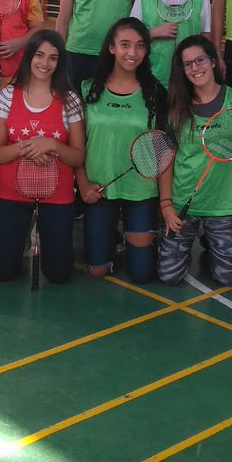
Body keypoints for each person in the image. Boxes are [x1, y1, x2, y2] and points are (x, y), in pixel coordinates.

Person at [0, 29, 86, 284]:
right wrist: (30, 147)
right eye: (39, 55)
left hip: (57, 196)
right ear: (29, 56)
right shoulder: (8, 96)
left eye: (53, 58)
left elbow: (77, 156)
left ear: (60, 62)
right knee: (2, 272)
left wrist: (51, 144)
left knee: (58, 275)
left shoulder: (71, 100)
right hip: (11, 194)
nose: (45, 63)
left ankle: (58, 245)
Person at [157, 35, 232, 287]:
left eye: (200, 60)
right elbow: (167, 158)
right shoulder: (176, 106)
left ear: (212, 62)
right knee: (169, 277)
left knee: (227, 278)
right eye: (187, 64)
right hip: (182, 204)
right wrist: (166, 205)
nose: (195, 68)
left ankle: (210, 241)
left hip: (222, 205)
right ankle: (196, 238)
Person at [76, 18, 166, 282]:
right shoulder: (87, 89)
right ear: (112, 48)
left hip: (141, 192)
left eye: (140, 46)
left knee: (141, 274)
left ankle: (134, 235)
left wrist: (164, 203)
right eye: (125, 45)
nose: (132, 53)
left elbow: (163, 150)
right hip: (98, 190)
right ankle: (110, 237)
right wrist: (82, 184)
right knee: (97, 271)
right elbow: (76, 144)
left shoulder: (155, 93)